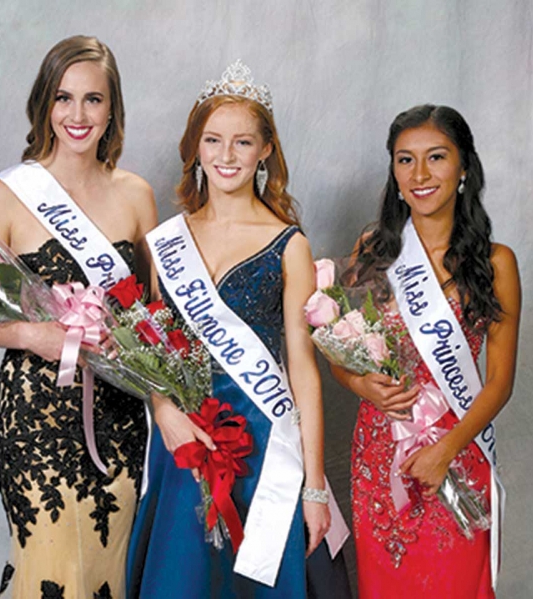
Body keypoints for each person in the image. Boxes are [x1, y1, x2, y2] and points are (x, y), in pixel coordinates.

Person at [127, 61, 351, 598]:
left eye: (243, 142)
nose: (226, 156)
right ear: (195, 147)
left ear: (265, 151)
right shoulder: (165, 242)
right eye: (213, 140)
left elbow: (303, 370)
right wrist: (165, 413)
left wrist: (315, 489)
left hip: (265, 448)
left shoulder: (288, 244)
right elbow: (151, 351)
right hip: (186, 442)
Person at [0, 35, 157, 598]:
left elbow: (153, 317)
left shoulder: (137, 196)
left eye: (93, 100)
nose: (77, 115)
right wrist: (30, 334)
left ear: (112, 108)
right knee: (51, 572)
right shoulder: (4, 195)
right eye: (64, 98)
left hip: (119, 411)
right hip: (36, 417)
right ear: (45, 103)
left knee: (105, 572)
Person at [331, 104, 521, 598]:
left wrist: (445, 451)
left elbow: (499, 382)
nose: (419, 174)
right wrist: (357, 382)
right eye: (404, 159)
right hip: (379, 453)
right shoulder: (375, 249)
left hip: (455, 450)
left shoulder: (496, 263)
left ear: (463, 168)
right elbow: (341, 349)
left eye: (436, 157)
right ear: (393, 172)